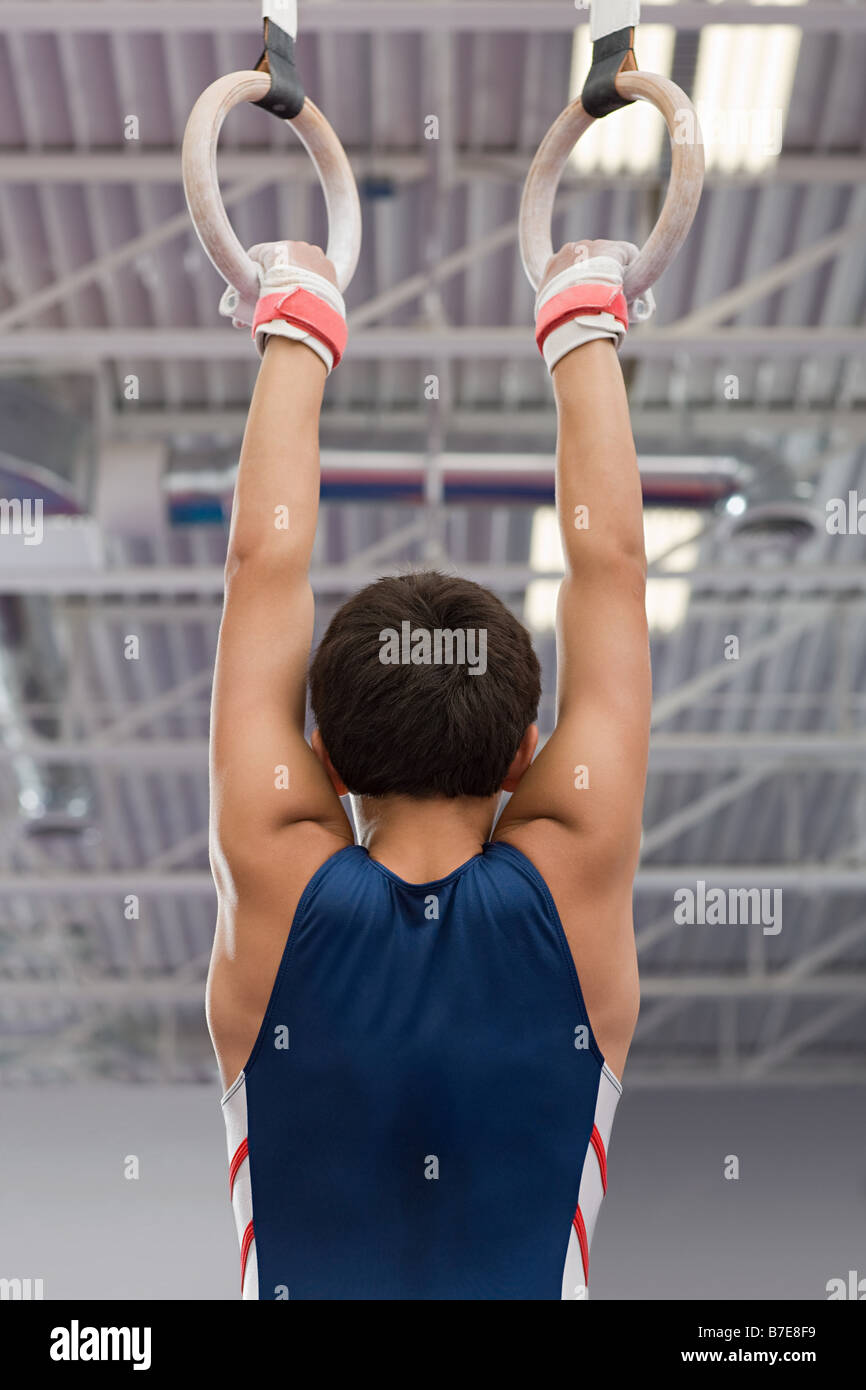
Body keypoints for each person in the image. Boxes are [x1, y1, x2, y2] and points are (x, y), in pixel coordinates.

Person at [207, 236, 650, 1300]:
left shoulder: (275, 878)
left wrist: (303, 325)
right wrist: (577, 323)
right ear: (522, 757)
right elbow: (615, 563)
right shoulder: (573, 877)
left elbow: (261, 563)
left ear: (322, 754)